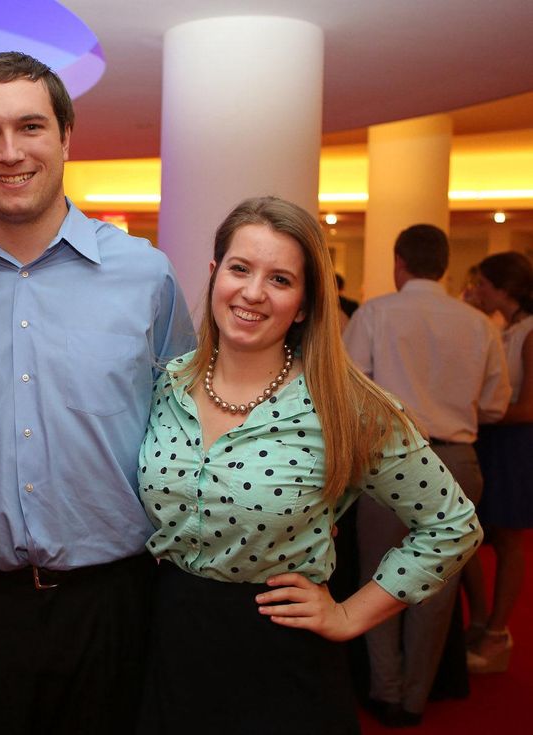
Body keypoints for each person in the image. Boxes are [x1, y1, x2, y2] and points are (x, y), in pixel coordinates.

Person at [0, 51, 195, 735]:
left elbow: (190, 423)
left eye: (30, 127)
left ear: (67, 137)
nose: (9, 152)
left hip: (113, 603)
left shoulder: (146, 275)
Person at [137, 197, 483, 735]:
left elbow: (452, 524)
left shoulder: (346, 407)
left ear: (303, 305)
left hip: (282, 656)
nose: (253, 292)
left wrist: (351, 613)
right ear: (213, 276)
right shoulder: (167, 384)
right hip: (169, 643)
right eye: (240, 269)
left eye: (280, 279)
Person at [342, 224, 510, 725]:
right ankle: (415, 699)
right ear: (445, 265)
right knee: (436, 589)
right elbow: (496, 406)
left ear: (400, 262)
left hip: (391, 459)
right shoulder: (479, 323)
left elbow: (351, 393)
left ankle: (384, 691)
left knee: (380, 578)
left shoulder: (375, 313)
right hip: (459, 460)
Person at [463, 251, 533, 673]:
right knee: (472, 534)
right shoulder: (502, 328)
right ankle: (482, 620)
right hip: (491, 438)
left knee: (508, 540)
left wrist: (476, 413)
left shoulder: (529, 333)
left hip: (515, 442)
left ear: (504, 289)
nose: (477, 292)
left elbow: (529, 407)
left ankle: (496, 631)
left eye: (483, 285)